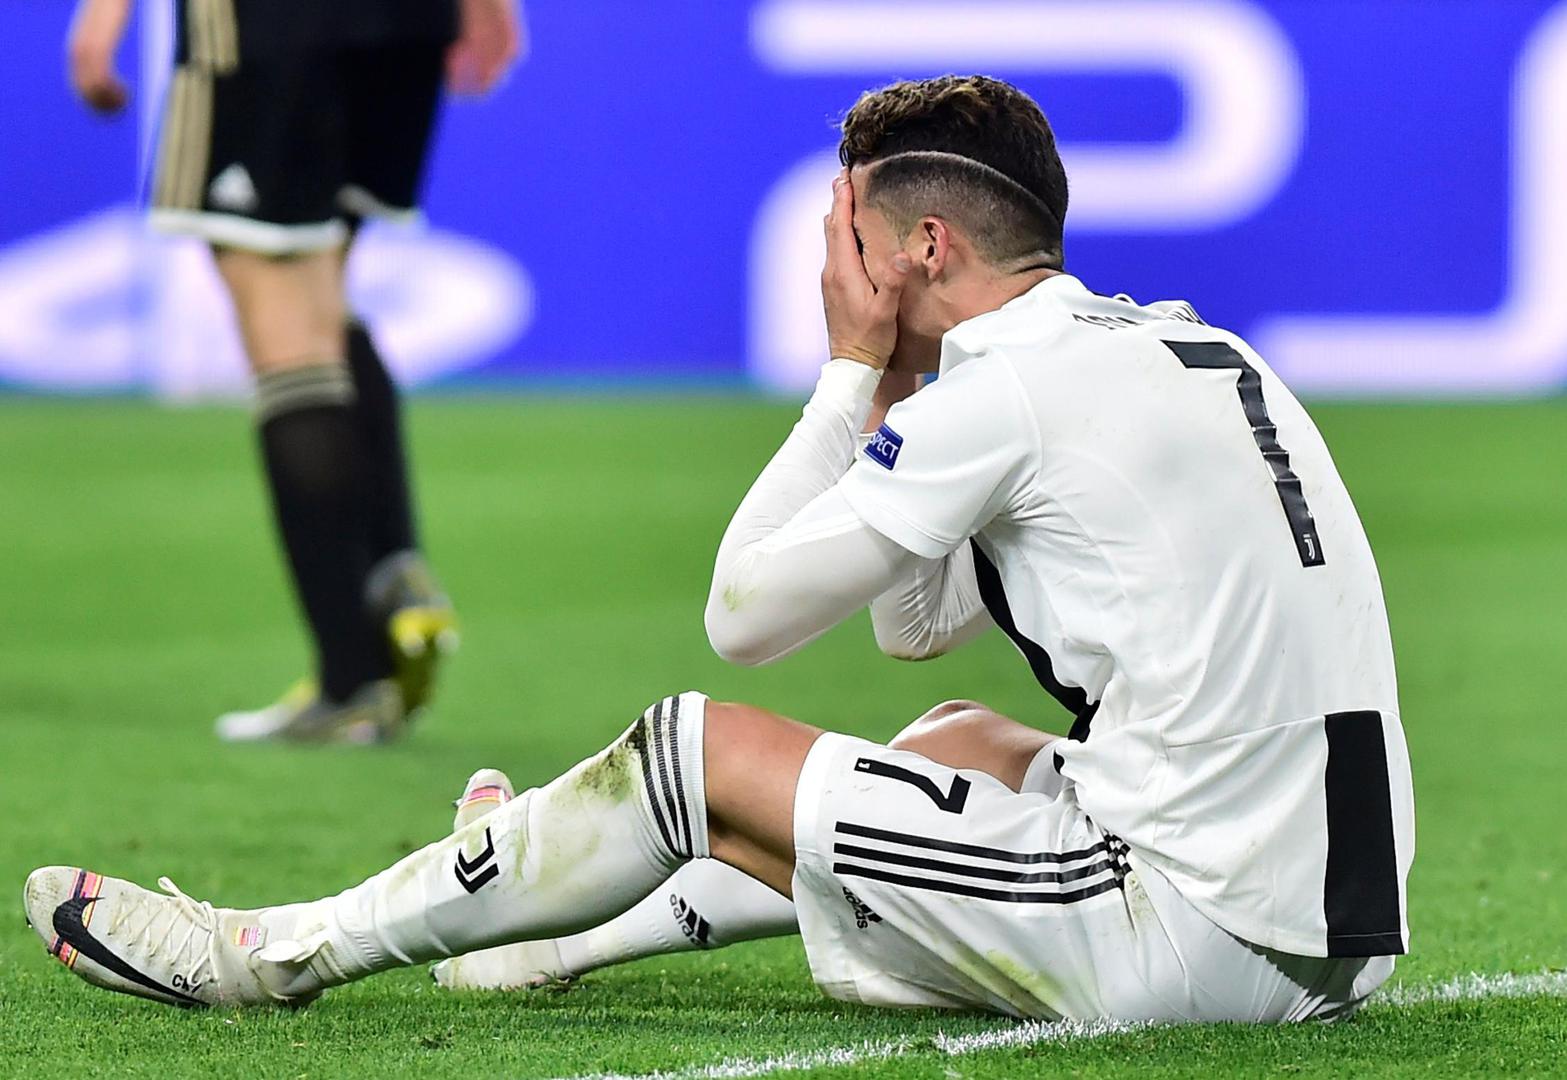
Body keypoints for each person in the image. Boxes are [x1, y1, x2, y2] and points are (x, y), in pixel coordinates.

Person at [24, 76, 1414, 1024]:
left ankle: (265, 953)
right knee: (951, 742)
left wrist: (846, 369)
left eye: (852, 242)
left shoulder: (1004, 396)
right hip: (1332, 921)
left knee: (691, 750)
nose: (837, 270)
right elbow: (914, 630)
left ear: (923, 247)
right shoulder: (1181, 342)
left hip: (1199, 931)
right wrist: (899, 391)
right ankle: (547, 937)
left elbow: (741, 618)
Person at [63, 0, 523, 741]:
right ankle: (392, 569)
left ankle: (348, 681)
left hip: (271, 22)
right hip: (407, 22)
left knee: (284, 316)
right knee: (320, 290)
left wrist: (101, 14)